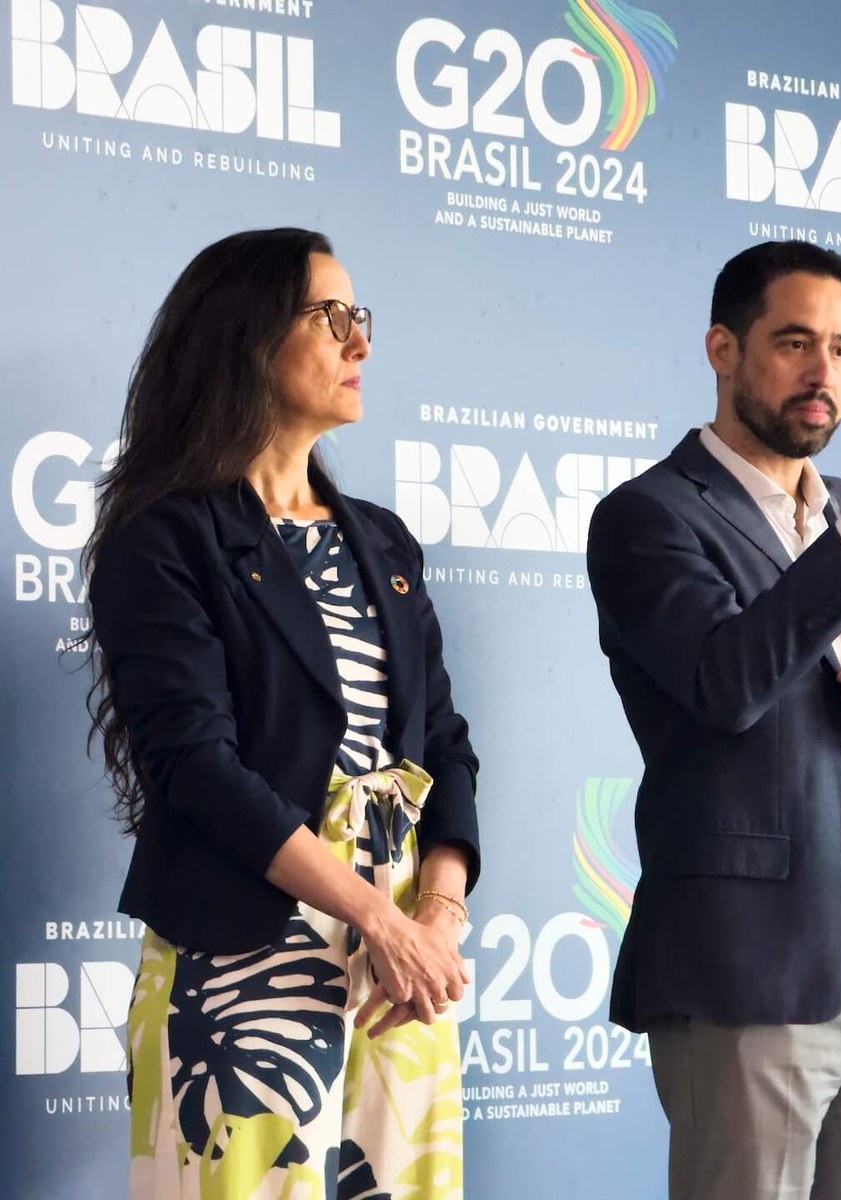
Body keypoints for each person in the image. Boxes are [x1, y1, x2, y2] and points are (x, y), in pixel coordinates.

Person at [85, 228, 480, 1199]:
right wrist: (372, 920)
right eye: (331, 316)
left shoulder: (381, 541)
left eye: (362, 318)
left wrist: (431, 914)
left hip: (400, 971)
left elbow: (448, 750)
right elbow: (196, 767)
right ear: (249, 337)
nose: (361, 343)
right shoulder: (166, 535)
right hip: (244, 960)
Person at [587, 240, 841, 1200]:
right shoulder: (651, 516)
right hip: (747, 962)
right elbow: (726, 680)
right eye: (795, 343)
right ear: (723, 349)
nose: (823, 373)